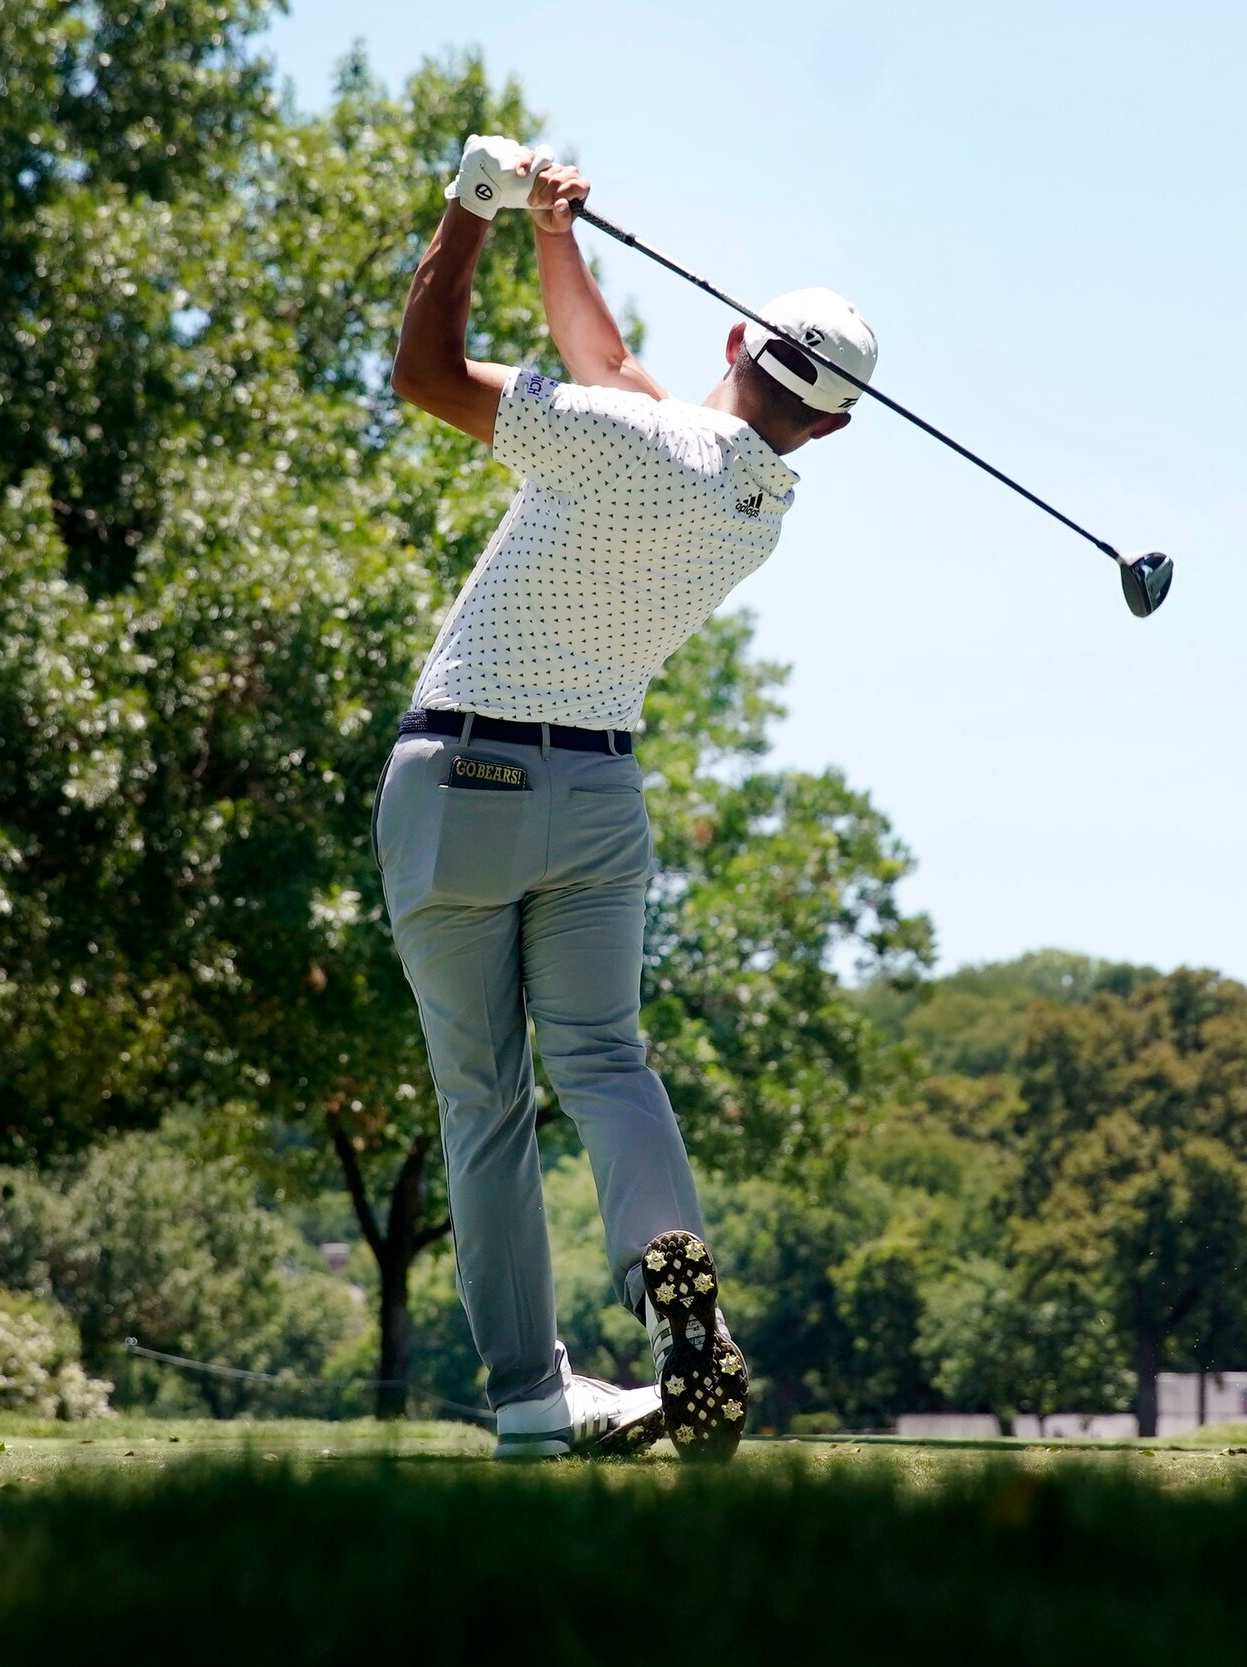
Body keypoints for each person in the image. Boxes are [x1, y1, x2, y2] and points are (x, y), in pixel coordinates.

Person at [383, 134, 876, 1462]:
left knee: (487, 1101)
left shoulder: (626, 439)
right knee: (605, 1060)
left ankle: (531, 1400)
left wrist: (469, 208)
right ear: (827, 426)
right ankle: (671, 1293)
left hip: (458, 781)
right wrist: (556, 235)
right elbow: (615, 380)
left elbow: (425, 375)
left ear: (732, 337)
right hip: (598, 798)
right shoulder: (758, 499)